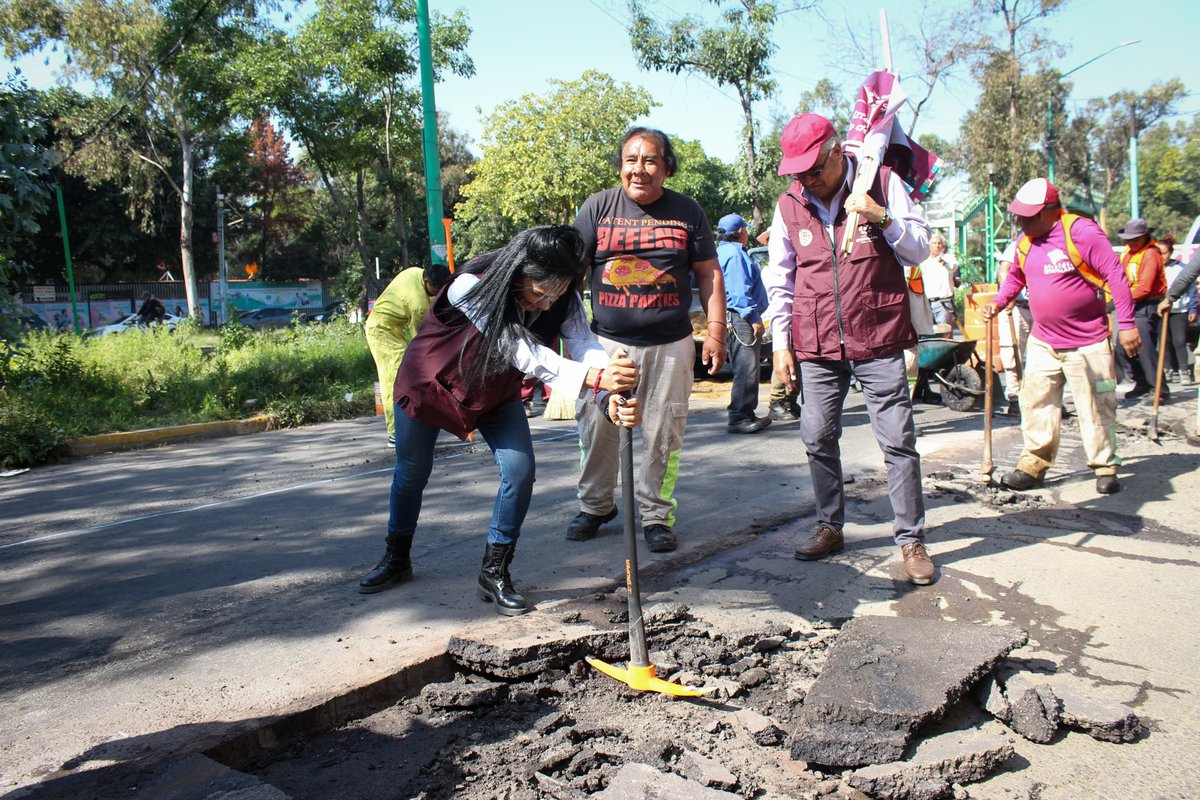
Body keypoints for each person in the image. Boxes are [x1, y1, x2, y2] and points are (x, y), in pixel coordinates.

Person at [357, 226, 640, 615]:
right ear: (518, 271)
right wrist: (593, 379)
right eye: (540, 293)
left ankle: (494, 572)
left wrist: (609, 387)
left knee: (520, 471)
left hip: (493, 391)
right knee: (412, 473)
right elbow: (519, 347)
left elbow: (582, 341)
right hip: (432, 383)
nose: (546, 305)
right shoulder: (470, 284)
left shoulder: (561, 291)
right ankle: (396, 558)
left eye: (557, 294)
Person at [763, 113, 935, 586]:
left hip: (877, 333)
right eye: (798, 172)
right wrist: (781, 344)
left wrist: (882, 216)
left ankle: (911, 540)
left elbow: (919, 249)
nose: (808, 179)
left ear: (837, 150)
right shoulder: (790, 204)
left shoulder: (882, 182)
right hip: (816, 339)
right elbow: (780, 278)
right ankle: (830, 525)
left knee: (897, 440)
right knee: (816, 436)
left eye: (814, 168)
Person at [567, 127, 727, 553]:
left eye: (650, 160)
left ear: (667, 167)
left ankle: (657, 514)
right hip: (604, 344)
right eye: (631, 160)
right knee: (597, 427)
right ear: (621, 165)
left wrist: (715, 332)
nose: (639, 169)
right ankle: (596, 505)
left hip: (670, 346)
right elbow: (571, 274)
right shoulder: (598, 207)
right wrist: (571, 337)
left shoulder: (688, 211)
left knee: (664, 430)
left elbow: (709, 273)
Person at [982, 178, 1141, 495]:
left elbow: (1115, 274)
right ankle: (1034, 464)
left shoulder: (1081, 232)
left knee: (1098, 405)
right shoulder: (1025, 242)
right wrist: (1000, 301)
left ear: (1052, 211)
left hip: (1089, 340)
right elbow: (1016, 276)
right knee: (1035, 403)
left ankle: (1105, 465)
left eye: (1029, 215)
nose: (1022, 221)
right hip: (1044, 340)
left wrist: (1127, 323)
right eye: (1019, 216)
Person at [365, 263, 453, 446]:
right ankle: (396, 432)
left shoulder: (415, 272)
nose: (436, 293)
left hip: (394, 329)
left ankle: (413, 425)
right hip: (381, 331)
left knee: (408, 376)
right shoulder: (418, 303)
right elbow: (422, 339)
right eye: (435, 289)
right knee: (395, 378)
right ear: (427, 281)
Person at [716, 213, 771, 434]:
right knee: (747, 366)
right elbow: (739, 292)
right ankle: (739, 417)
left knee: (747, 365)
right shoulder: (735, 255)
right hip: (740, 316)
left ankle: (747, 413)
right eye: (745, 230)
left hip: (733, 315)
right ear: (740, 233)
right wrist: (754, 318)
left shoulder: (720, 252)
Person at [1115, 218, 1167, 400]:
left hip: (1147, 304)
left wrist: (1118, 300)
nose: (1131, 242)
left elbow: (1145, 287)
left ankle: (1159, 388)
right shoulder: (1128, 254)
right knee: (1122, 347)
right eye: (1128, 239)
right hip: (1130, 303)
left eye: (1135, 238)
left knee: (1145, 347)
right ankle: (1141, 382)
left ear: (1145, 236)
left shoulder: (1151, 254)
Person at [995, 240, 1032, 417]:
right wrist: (1010, 294)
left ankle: (1048, 400)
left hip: (1043, 307)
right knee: (1012, 353)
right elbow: (1003, 270)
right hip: (1019, 306)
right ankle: (1015, 398)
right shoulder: (1018, 244)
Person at [1156, 237, 1195, 384]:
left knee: (1179, 341)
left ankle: (1184, 370)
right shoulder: (1154, 268)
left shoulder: (1180, 268)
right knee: (1164, 341)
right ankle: (1167, 370)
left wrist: (1192, 308)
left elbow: (1190, 289)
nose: (1162, 257)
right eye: (1159, 253)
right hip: (1161, 310)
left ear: (1171, 252)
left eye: (1165, 253)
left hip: (1179, 310)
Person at [918, 233, 960, 328]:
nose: (937, 245)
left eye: (939, 243)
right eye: (934, 243)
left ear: (943, 246)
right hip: (927, 303)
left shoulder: (948, 258)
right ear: (929, 246)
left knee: (944, 332)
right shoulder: (923, 261)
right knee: (929, 333)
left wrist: (945, 264)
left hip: (943, 303)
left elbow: (953, 267)